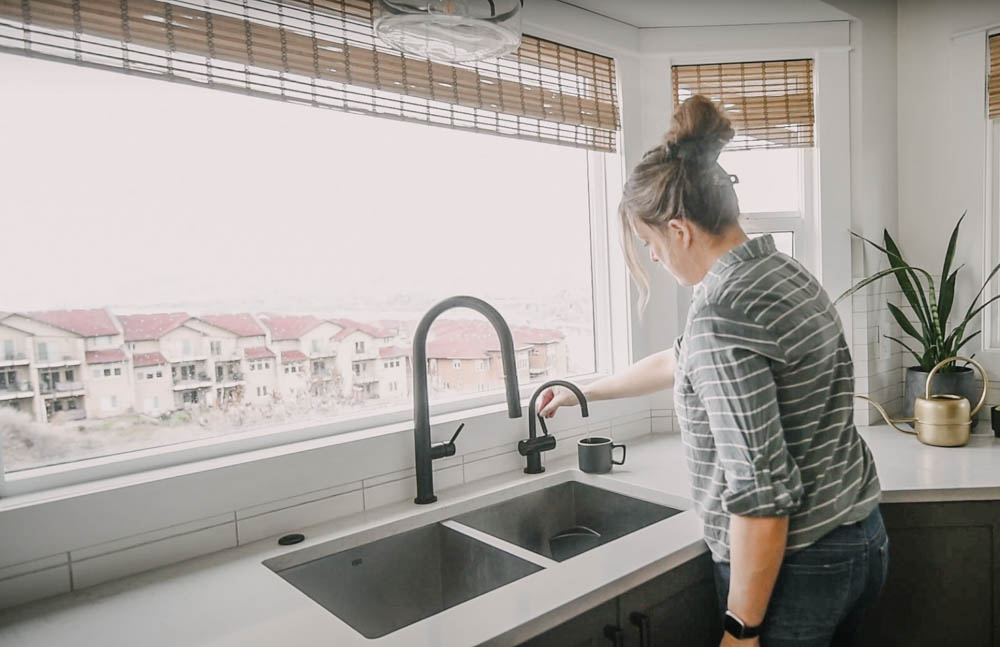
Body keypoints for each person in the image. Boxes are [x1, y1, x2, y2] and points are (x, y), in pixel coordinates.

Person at [537, 95, 888, 647]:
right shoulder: (779, 274)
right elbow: (682, 361)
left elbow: (762, 495)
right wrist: (584, 389)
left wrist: (741, 629)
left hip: (794, 570)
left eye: (650, 242)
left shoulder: (721, 317)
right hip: (859, 537)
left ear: (679, 230)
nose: (652, 257)